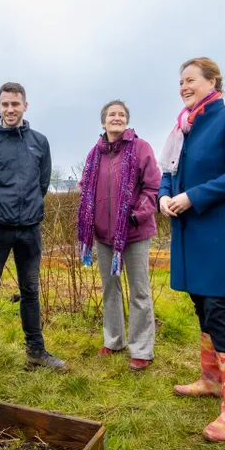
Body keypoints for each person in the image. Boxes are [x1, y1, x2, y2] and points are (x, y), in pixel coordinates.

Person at [158, 57, 225, 442]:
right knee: (200, 303)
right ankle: (210, 378)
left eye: (190, 80)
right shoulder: (183, 127)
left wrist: (191, 197)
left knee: (218, 308)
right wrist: (165, 197)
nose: (183, 87)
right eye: (180, 81)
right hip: (188, 230)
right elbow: (169, 173)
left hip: (217, 231)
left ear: (212, 81)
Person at [0, 81, 68, 381]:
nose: (10, 109)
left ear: (25, 105)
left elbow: (43, 183)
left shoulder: (39, 142)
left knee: (30, 291)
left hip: (30, 230)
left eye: (15, 104)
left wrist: (28, 210)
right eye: (5, 104)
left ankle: (36, 351)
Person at [77, 100, 161, 371]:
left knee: (139, 291)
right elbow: (86, 188)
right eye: (112, 114)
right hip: (103, 234)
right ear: (103, 121)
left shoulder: (140, 148)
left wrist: (137, 215)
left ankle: (142, 349)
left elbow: (152, 187)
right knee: (110, 289)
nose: (117, 117)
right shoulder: (94, 154)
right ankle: (114, 341)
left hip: (134, 231)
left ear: (127, 120)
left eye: (121, 114)